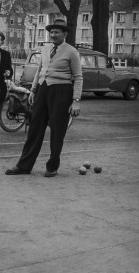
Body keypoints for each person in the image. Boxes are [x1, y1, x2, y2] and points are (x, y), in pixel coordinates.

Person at [5, 18, 82, 177]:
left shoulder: (71, 51)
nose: (53, 35)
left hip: (61, 91)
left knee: (57, 130)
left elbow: (78, 77)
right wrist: (33, 91)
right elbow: (40, 70)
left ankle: (52, 167)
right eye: (51, 32)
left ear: (64, 34)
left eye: (57, 32)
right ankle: (24, 166)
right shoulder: (45, 49)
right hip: (42, 89)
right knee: (34, 128)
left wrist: (75, 101)